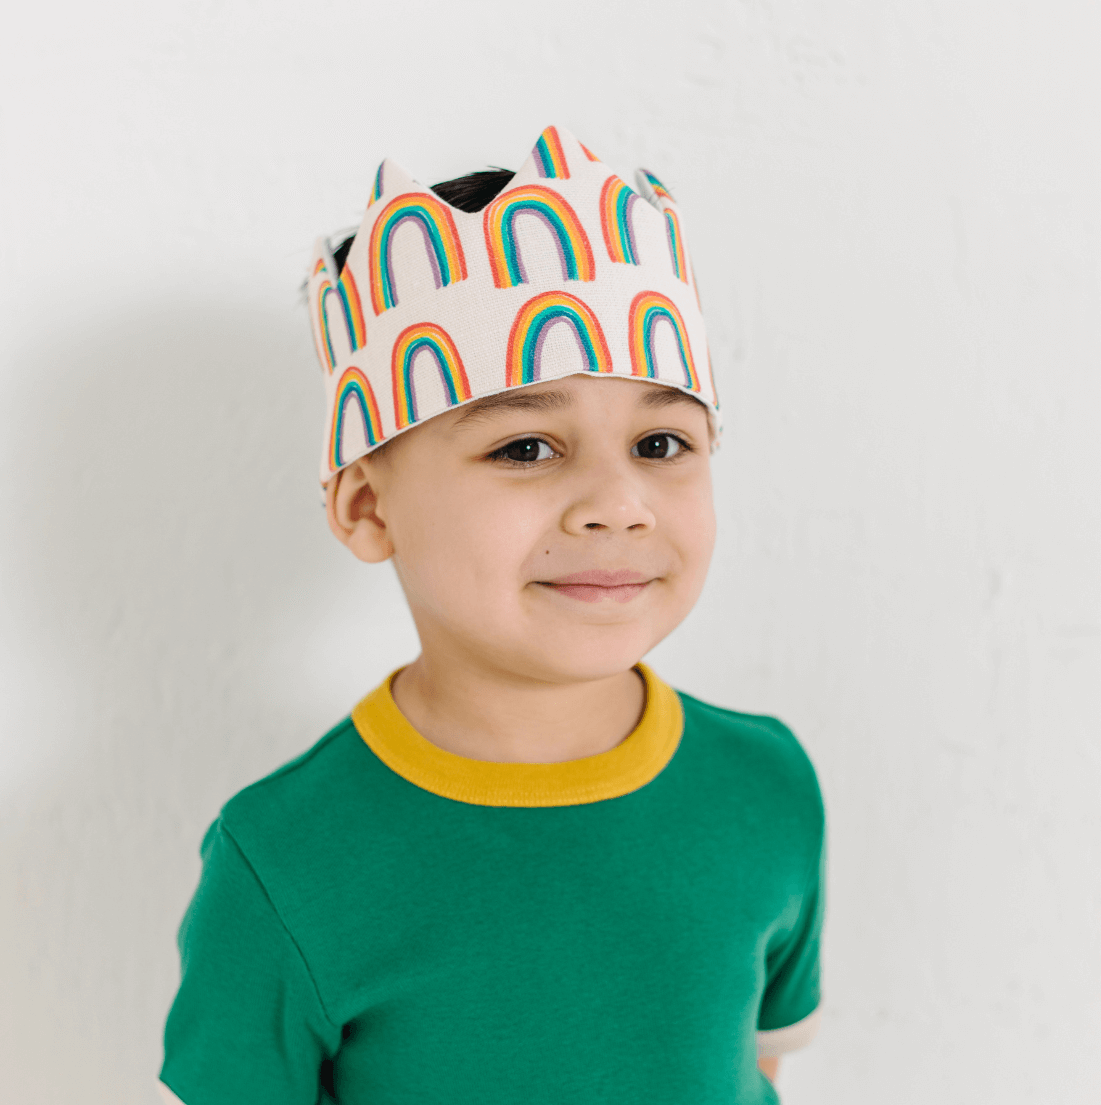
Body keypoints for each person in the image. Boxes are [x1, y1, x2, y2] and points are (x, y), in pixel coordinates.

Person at [158, 125, 825, 1105]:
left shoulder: (766, 785)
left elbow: (753, 1065)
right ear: (368, 506)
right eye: (525, 447)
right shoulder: (285, 860)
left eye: (661, 439)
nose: (617, 501)